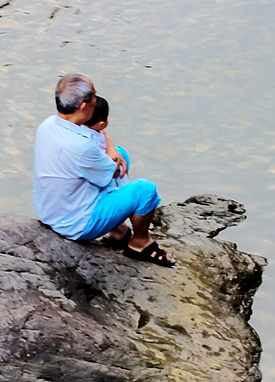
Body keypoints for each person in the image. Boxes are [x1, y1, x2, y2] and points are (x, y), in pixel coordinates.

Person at [32, 73, 175, 267]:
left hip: (50, 210)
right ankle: (139, 243)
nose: (96, 100)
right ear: (84, 107)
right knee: (145, 189)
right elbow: (112, 173)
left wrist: (110, 147)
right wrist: (112, 153)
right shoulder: (81, 147)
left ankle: (117, 230)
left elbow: (100, 156)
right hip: (76, 223)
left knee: (119, 153)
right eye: (93, 98)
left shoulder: (47, 125)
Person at [82, 96, 129, 189]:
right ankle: (125, 189)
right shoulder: (90, 141)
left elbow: (104, 133)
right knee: (121, 171)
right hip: (103, 168)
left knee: (120, 152)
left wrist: (112, 150)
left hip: (101, 163)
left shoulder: (81, 127)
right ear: (102, 124)